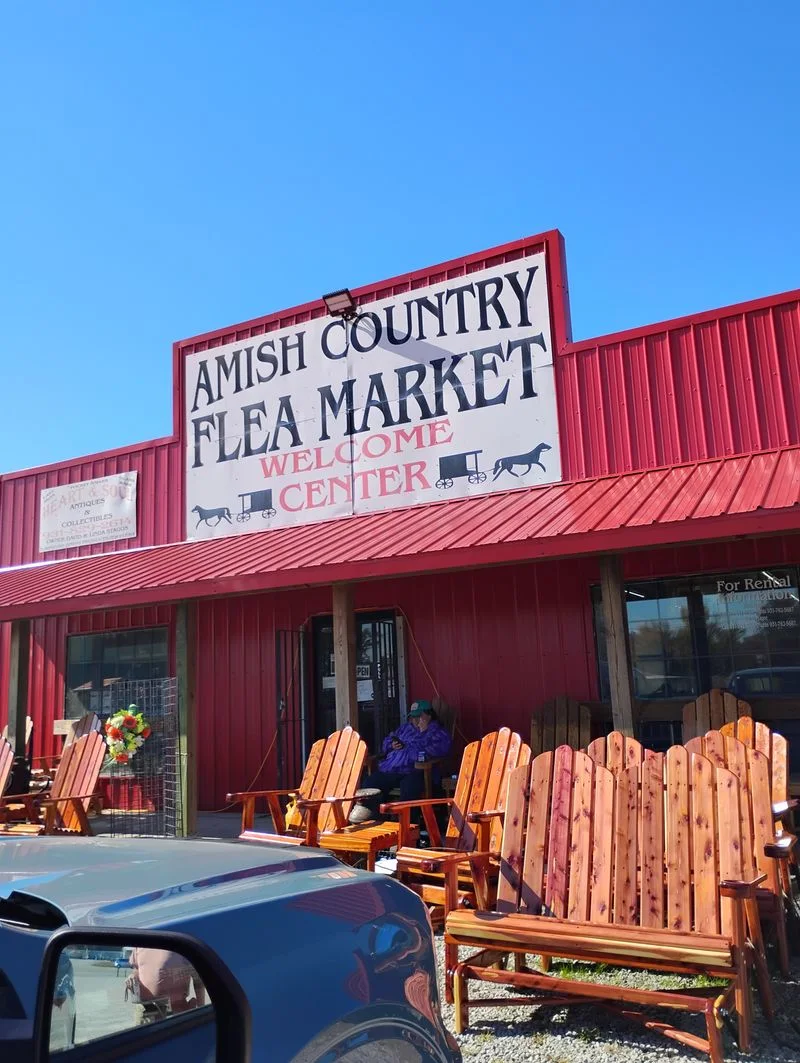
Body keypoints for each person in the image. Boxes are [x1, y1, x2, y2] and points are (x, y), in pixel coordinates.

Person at [350, 700, 451, 822]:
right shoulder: (405, 728)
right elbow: (386, 742)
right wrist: (392, 744)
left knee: (409, 788)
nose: (415, 720)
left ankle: (408, 826)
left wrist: (423, 734)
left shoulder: (438, 732)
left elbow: (438, 751)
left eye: (418, 716)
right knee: (370, 782)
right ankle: (375, 821)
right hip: (392, 769)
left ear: (428, 715)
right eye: (413, 717)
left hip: (415, 771)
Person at [127, 948, 206, 1022]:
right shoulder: (140, 944)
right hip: (145, 1009)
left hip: (174, 1011)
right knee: (143, 1036)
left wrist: (201, 1010)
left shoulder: (181, 944)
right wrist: (133, 976)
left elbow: (198, 980)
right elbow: (137, 969)